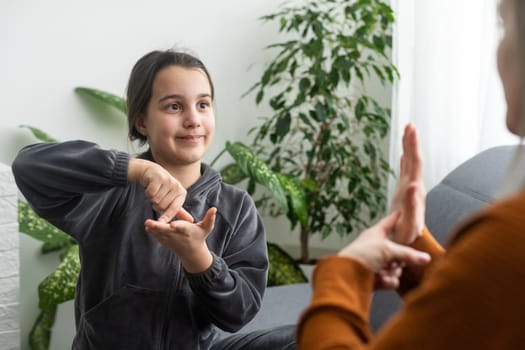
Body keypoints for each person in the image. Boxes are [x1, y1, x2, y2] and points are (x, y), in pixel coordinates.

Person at [12, 50, 295, 349]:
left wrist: (198, 258)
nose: (193, 120)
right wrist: (136, 169)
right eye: (174, 106)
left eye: (203, 104)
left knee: (314, 335)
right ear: (142, 122)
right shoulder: (107, 195)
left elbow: (238, 313)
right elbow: (29, 167)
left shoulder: (236, 208)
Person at [297, 0, 525, 348]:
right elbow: (486, 311)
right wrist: (416, 241)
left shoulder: (512, 234)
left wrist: (342, 274)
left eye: (503, 27)